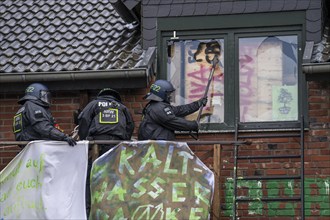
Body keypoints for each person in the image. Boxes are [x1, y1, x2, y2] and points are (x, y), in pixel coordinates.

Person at [77, 87, 135, 218]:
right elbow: (130, 126)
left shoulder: (93, 104)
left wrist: (85, 140)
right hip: (115, 147)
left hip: (97, 147)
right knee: (114, 178)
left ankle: (89, 212)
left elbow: (83, 120)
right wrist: (123, 140)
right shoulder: (122, 107)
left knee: (92, 178)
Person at [138, 79, 207, 140]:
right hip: (157, 147)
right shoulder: (158, 108)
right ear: (162, 94)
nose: (170, 96)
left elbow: (179, 110)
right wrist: (194, 125)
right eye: (168, 94)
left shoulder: (156, 106)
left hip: (157, 144)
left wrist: (197, 104)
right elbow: (174, 122)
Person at [12, 83, 77, 146]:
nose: (46, 98)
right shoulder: (33, 106)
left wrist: (61, 135)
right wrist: (63, 137)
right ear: (36, 94)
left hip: (30, 146)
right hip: (37, 147)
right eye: (44, 95)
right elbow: (43, 127)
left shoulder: (24, 108)